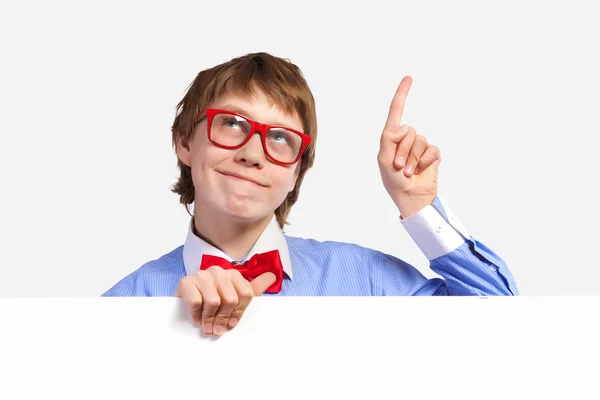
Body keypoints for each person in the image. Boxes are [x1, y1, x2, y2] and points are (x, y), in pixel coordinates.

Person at [102, 52, 519, 336]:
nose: (251, 153)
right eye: (231, 124)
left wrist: (419, 207)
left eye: (280, 137)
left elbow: (511, 332)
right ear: (185, 143)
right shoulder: (125, 304)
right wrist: (165, 334)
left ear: (296, 171)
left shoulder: (369, 283)